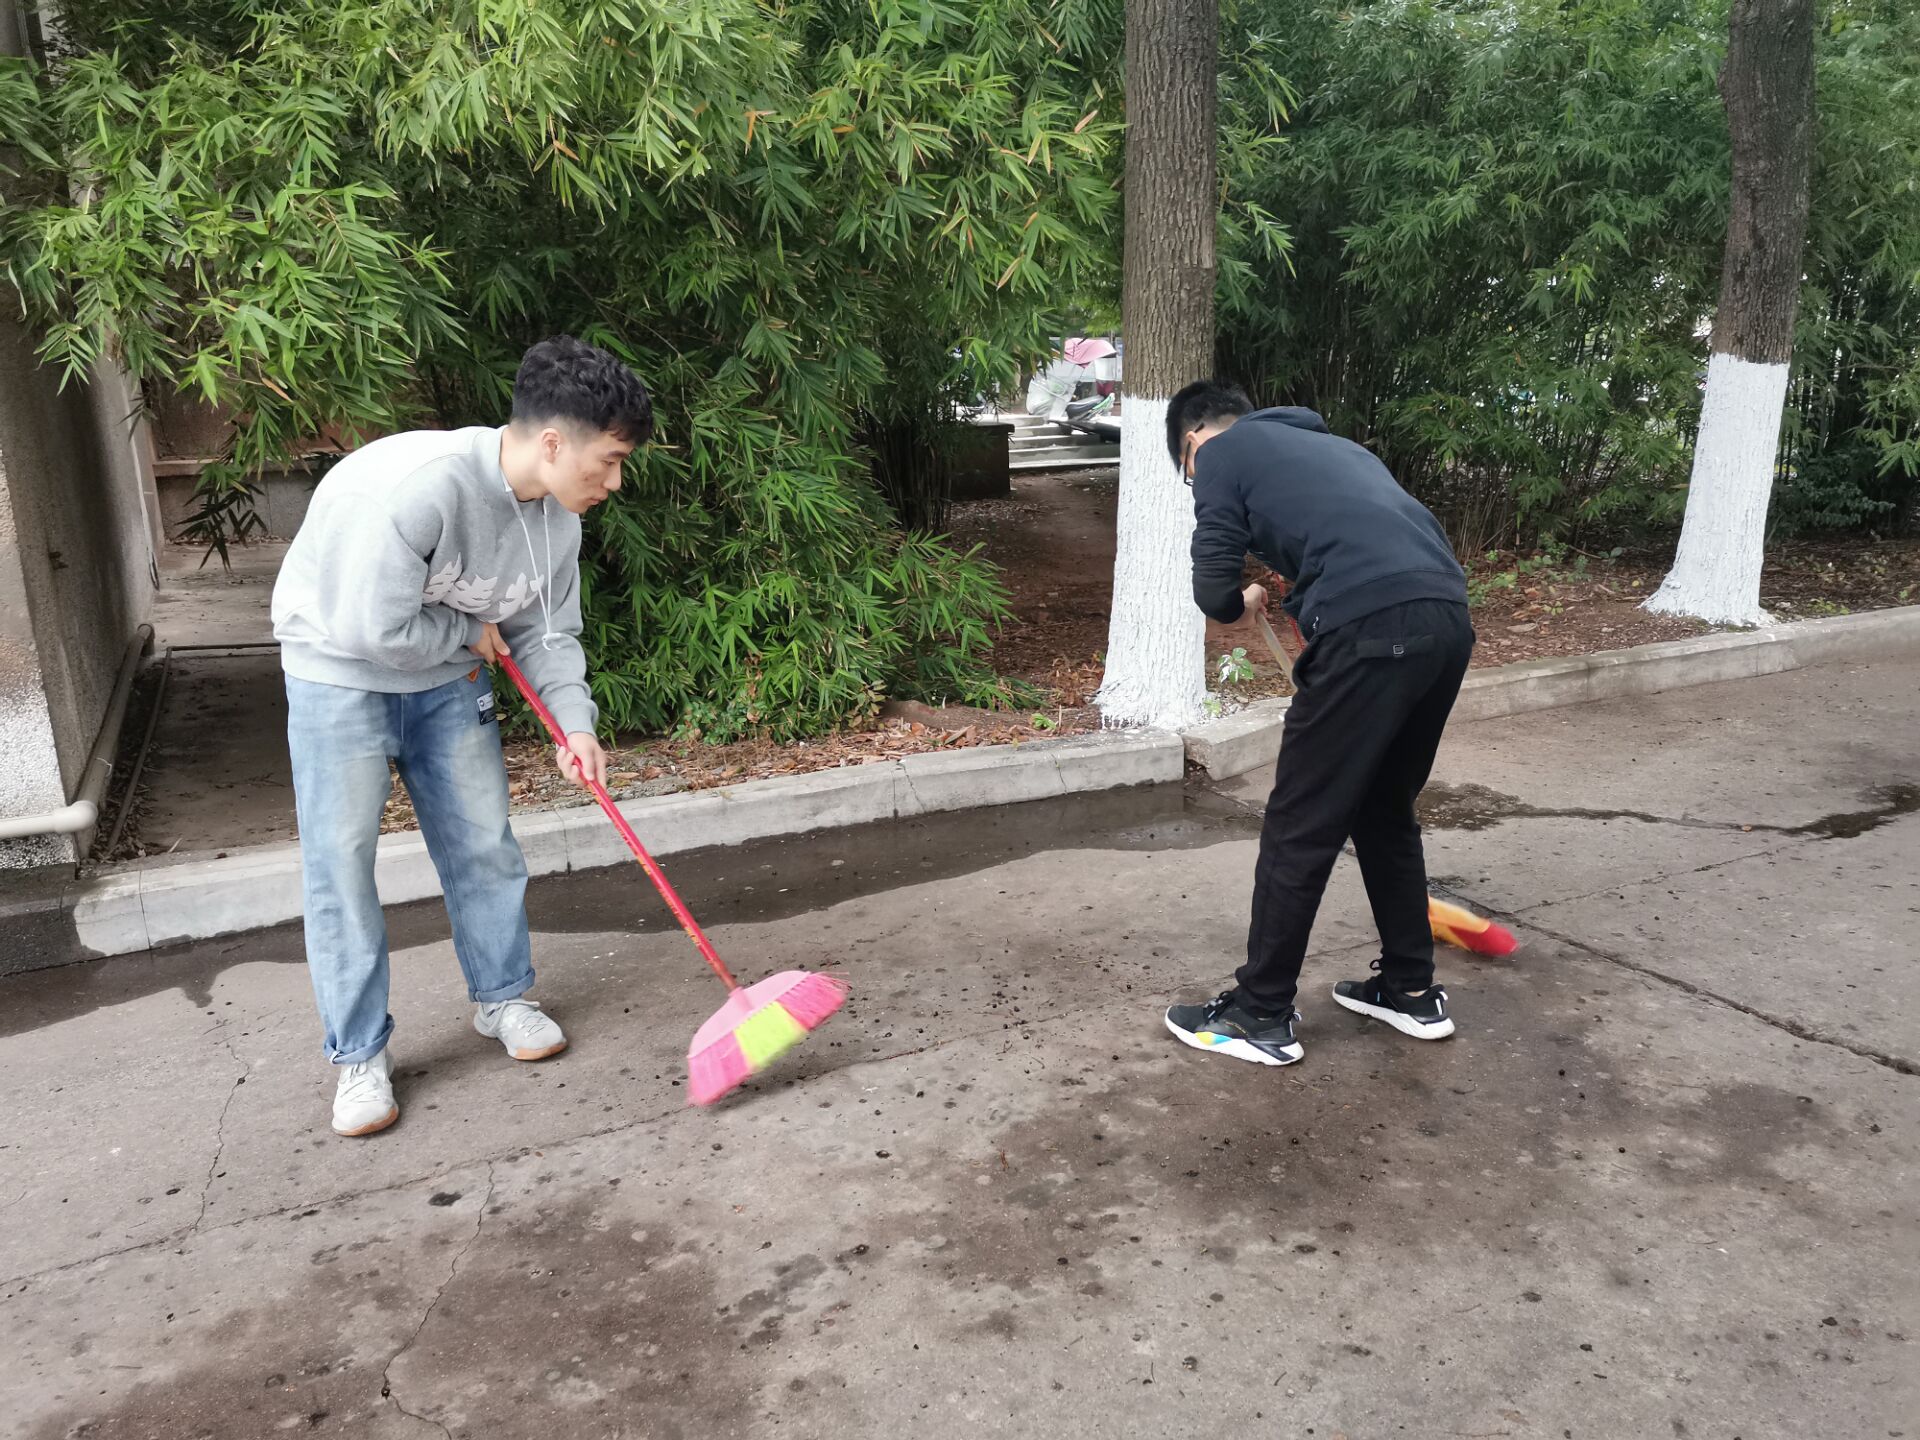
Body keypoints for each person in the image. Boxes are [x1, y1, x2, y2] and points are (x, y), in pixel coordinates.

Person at [271, 336, 652, 1136]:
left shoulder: (559, 521)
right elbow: (372, 628)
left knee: (483, 842)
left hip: (446, 681)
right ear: (555, 443)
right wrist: (465, 631)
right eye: (610, 461)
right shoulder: (419, 490)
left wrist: (575, 725)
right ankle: (359, 1056)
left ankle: (502, 999)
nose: (616, 482)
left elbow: (547, 632)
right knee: (340, 866)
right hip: (338, 674)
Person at [1161, 382, 1474, 1068]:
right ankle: (1410, 990)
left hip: (1373, 628)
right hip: (1447, 618)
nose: (1194, 479)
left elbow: (1213, 590)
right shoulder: (1336, 449)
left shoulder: (1220, 453)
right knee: (1384, 811)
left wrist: (1240, 597)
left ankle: (1258, 1012)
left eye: (1186, 470)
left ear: (1191, 441)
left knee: (1300, 821)